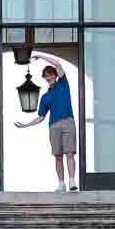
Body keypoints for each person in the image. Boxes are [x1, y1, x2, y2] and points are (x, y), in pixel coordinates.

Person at [13, 53, 78, 192]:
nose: (49, 77)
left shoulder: (63, 84)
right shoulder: (45, 97)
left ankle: (72, 181)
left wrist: (41, 57)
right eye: (46, 76)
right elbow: (41, 117)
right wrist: (26, 125)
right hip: (53, 126)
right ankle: (61, 184)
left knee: (70, 153)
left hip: (67, 122)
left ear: (55, 75)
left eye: (51, 75)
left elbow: (58, 63)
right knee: (58, 156)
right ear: (45, 78)